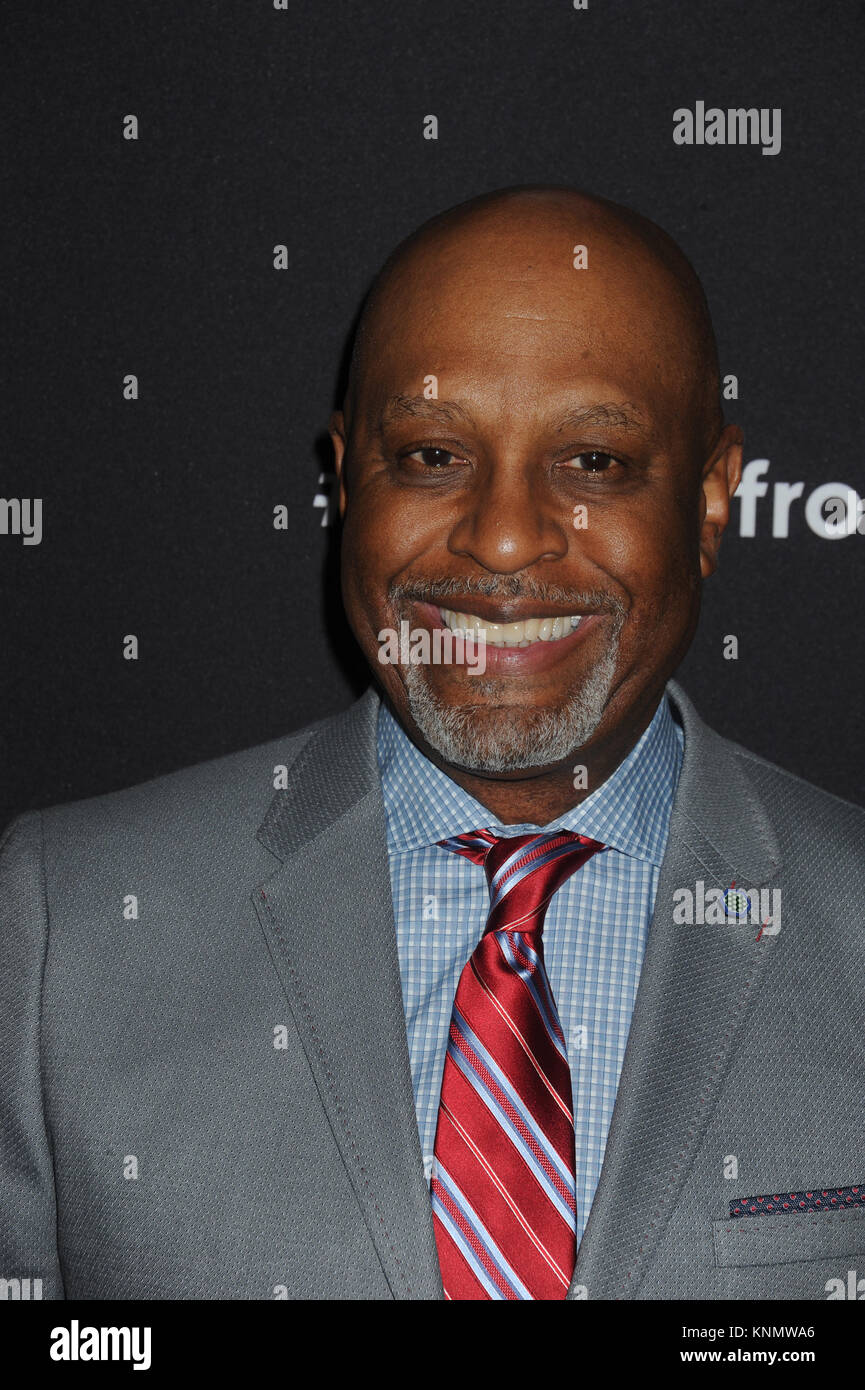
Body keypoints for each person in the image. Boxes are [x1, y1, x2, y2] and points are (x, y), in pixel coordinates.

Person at [2, 186, 863, 1302]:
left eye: (593, 461)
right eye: (429, 455)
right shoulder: (64, 929)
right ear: (347, 474)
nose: (503, 535)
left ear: (707, 501)